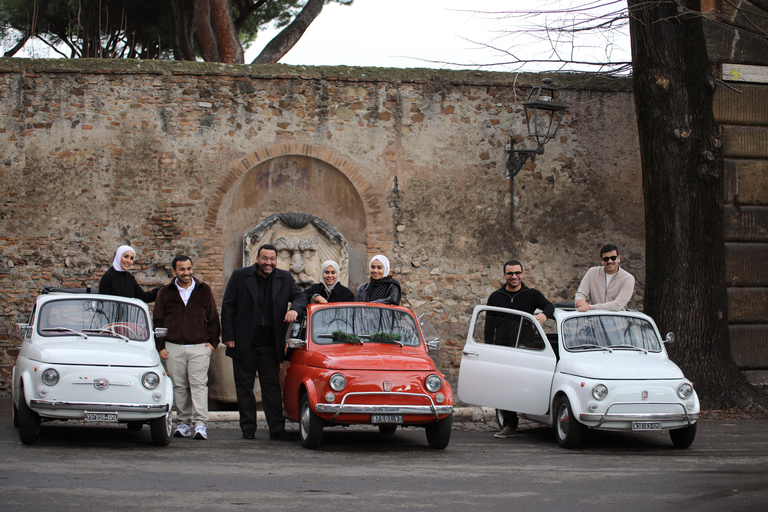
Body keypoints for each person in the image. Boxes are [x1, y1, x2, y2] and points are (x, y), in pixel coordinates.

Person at [220, 244, 308, 441]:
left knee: (272, 388)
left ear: (276, 260)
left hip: (270, 344)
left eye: (272, 259)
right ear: (257, 258)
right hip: (243, 343)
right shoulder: (240, 276)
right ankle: (248, 428)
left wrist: (295, 309)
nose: (269, 262)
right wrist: (228, 336)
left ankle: (276, 429)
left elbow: (301, 296)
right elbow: (228, 306)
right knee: (244, 388)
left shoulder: (284, 277)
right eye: (265, 258)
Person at [153, 255, 220, 441]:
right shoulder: (165, 292)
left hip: (199, 346)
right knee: (179, 386)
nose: (186, 272)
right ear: (174, 271)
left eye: (189, 268)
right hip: (173, 346)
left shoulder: (203, 289)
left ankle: (200, 424)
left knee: (199, 385)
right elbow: (158, 320)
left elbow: (213, 317)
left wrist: (213, 344)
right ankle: (183, 423)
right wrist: (160, 346)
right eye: (182, 269)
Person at [486, 259, 554, 439]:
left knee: (525, 384)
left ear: (522, 274)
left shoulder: (531, 294)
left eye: (517, 273)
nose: (514, 276)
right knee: (504, 387)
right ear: (504, 275)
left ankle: (539, 415)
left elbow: (549, 305)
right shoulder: (495, 297)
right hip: (503, 347)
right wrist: (488, 349)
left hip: (526, 347)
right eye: (510, 273)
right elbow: (489, 325)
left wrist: (544, 314)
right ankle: (510, 425)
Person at [574, 244, 635, 312]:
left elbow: (617, 305)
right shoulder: (592, 272)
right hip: (593, 316)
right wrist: (580, 302)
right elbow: (581, 294)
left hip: (617, 317)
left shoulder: (628, 279)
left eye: (613, 258)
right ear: (602, 260)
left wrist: (589, 307)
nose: (610, 261)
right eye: (606, 259)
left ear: (618, 258)